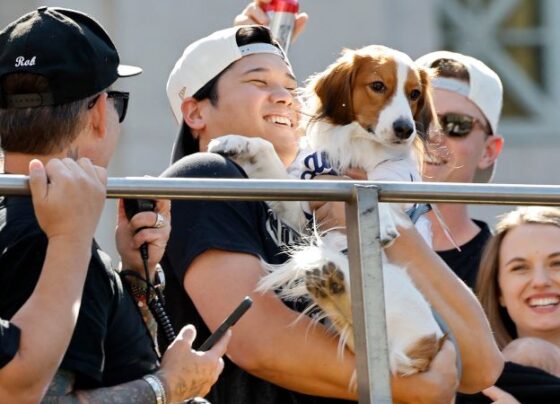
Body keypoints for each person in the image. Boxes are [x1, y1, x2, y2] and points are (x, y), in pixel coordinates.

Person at [161, 23, 503, 403]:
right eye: (259, 83)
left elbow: (482, 366)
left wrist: (379, 223)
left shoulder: (326, 189)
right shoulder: (205, 175)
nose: (286, 98)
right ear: (194, 112)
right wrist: (412, 388)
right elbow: (258, 341)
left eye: (290, 87)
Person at [0, 7, 228, 403]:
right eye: (117, 101)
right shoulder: (56, 246)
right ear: (102, 113)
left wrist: (136, 275)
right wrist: (168, 387)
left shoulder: (27, 224)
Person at [0, 158, 106, 402]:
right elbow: (15, 388)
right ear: (97, 120)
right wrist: (165, 386)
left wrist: (141, 273)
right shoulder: (40, 237)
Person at [414, 51, 505, 290]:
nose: (433, 135)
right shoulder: (345, 240)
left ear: (489, 151)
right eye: (421, 119)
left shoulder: (505, 268)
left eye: (455, 124)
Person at [458, 207, 560, 403]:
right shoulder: (469, 386)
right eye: (519, 268)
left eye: (557, 263)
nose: (540, 281)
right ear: (499, 292)